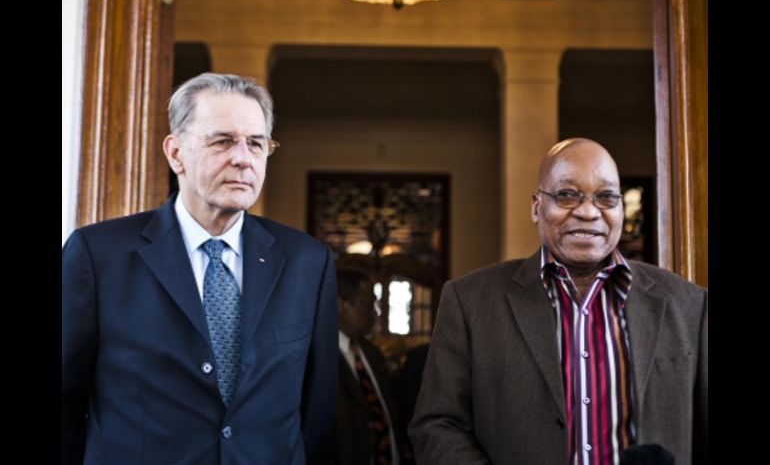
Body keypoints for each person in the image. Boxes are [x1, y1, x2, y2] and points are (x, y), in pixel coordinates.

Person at [62, 73, 339, 464]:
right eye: (222, 141)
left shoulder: (307, 262)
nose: (243, 157)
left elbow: (319, 412)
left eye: (256, 144)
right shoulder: (98, 254)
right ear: (176, 153)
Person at [409, 138, 707, 465]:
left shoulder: (688, 304)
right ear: (537, 206)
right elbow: (437, 426)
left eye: (606, 197)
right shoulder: (470, 302)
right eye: (567, 195)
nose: (588, 212)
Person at [332, 268, 411, 465]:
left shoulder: (372, 353)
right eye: (366, 305)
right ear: (341, 305)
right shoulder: (318, 357)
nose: (375, 312)